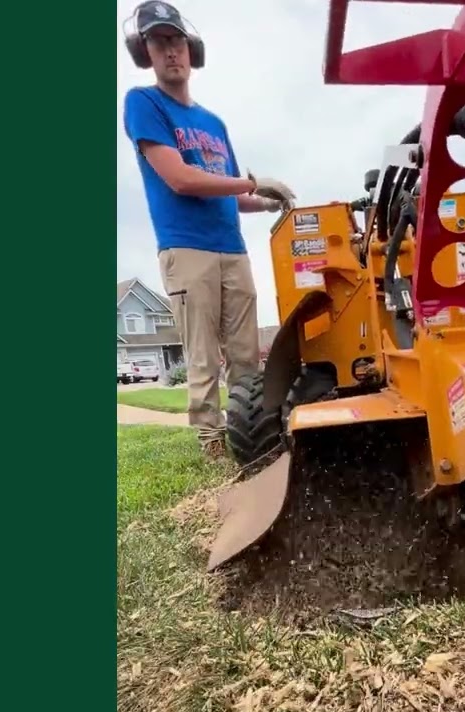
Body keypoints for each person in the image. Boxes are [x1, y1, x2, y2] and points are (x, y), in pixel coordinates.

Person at [121, 1, 295, 456]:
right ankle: (212, 443)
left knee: (245, 355)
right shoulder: (143, 103)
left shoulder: (213, 123)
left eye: (175, 40)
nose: (169, 51)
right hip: (186, 248)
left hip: (232, 248)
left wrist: (268, 201)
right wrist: (255, 181)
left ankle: (251, 438)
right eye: (157, 43)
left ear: (189, 48)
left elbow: (233, 196)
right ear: (146, 53)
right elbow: (180, 178)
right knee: (201, 356)